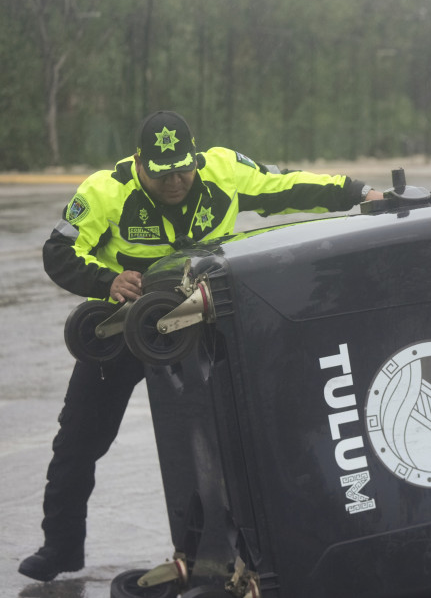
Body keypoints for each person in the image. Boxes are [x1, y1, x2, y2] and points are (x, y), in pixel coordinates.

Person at [19, 110, 383, 582]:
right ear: (139, 163)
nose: (175, 182)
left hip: (202, 322)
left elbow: (291, 187)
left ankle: (239, 556)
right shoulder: (105, 190)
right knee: (78, 441)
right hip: (125, 327)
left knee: (235, 438)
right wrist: (106, 279)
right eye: (162, 172)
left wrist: (359, 192)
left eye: (183, 169)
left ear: (195, 157)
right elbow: (58, 252)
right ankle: (60, 549)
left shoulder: (224, 170)